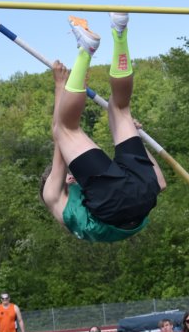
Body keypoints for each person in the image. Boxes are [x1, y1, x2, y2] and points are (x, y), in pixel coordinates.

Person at [40, 13, 167, 242]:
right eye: (67, 177)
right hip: (115, 204)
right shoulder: (51, 196)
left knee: (119, 109)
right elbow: (60, 135)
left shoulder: (82, 204)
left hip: (143, 193)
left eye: (69, 175)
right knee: (66, 130)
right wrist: (61, 86)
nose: (71, 177)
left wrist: (136, 137)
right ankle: (85, 51)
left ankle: (120, 32)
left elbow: (159, 183)